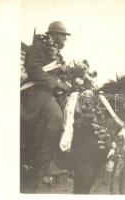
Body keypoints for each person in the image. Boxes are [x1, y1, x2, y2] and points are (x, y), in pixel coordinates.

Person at [21, 21, 71, 179]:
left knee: (70, 115)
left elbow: (54, 76)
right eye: (63, 36)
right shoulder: (38, 47)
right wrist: (56, 84)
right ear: (54, 35)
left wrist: (64, 84)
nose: (65, 40)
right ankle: (45, 165)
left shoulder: (55, 53)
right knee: (56, 117)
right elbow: (34, 70)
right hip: (35, 91)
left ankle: (58, 159)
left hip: (48, 92)